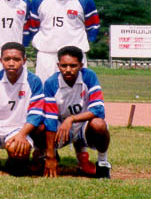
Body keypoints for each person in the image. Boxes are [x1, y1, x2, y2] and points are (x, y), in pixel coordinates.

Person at [0, 42, 45, 176]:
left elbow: (36, 114)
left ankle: (13, 161)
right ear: (1, 60)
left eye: (16, 59)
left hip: (18, 129)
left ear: (24, 60)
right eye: (7, 59)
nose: (11, 63)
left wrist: (22, 134)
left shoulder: (34, 81)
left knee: (18, 158)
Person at [43, 46, 111, 178]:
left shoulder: (89, 76)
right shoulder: (51, 83)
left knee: (99, 124)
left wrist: (72, 119)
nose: (68, 70)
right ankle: (43, 155)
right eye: (64, 65)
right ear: (58, 65)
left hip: (83, 127)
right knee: (40, 127)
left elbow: (98, 110)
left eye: (73, 66)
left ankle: (102, 162)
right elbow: (50, 119)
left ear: (81, 65)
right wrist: (50, 155)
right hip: (61, 128)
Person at [28, 0, 100, 81]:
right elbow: (32, 28)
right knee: (46, 95)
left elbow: (93, 28)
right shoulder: (39, 0)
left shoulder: (84, 0)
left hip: (75, 57)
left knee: (76, 94)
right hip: (47, 56)